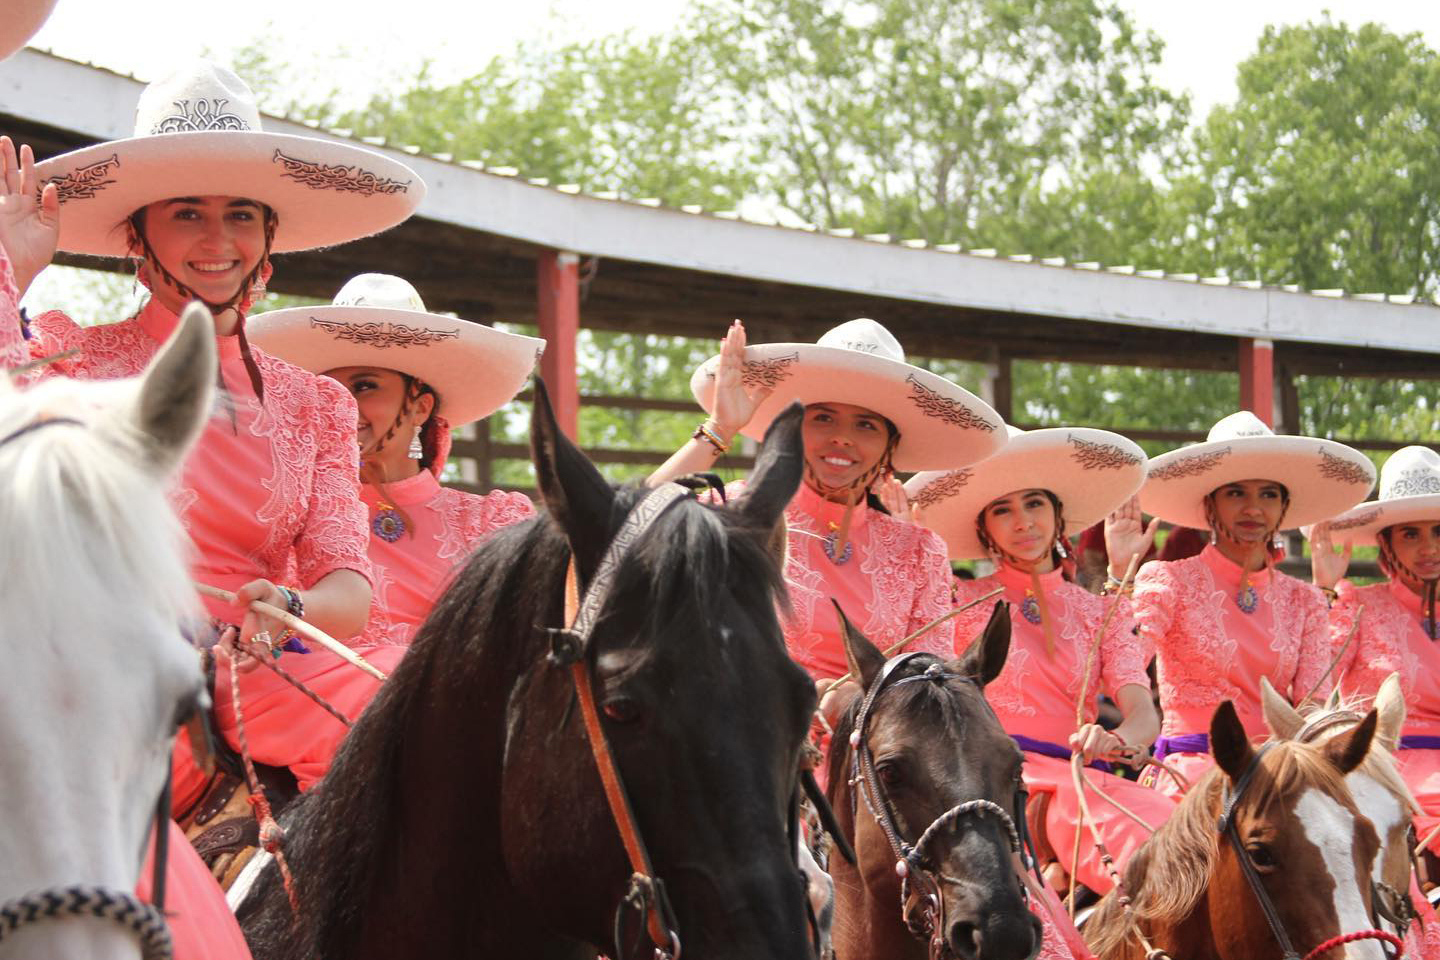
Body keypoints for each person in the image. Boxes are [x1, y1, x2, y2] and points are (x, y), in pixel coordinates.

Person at [0, 60, 422, 957]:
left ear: (268, 234)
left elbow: (352, 586)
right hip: (124, 671)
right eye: (187, 211)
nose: (215, 238)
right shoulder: (73, 358)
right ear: (141, 233)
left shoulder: (318, 405)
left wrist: (291, 606)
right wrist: (16, 271)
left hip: (280, 662)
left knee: (442, 704)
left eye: (239, 214)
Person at [652, 318, 1007, 708]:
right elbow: (638, 524)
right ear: (793, 428)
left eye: (866, 425)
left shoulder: (920, 550)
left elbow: (927, 676)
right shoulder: (737, 510)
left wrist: (855, 699)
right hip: (741, 736)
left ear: (889, 448)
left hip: (865, 751)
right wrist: (720, 428)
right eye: (823, 418)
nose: (843, 437)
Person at [905, 427, 1176, 895]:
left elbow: (1144, 714)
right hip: (996, 784)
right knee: (1146, 861)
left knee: (1182, 836)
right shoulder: (959, 602)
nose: (1023, 522)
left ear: (1057, 513)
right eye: (1002, 510)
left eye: (1034, 503)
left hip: (1085, 779)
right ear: (982, 527)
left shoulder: (1098, 611)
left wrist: (1113, 740)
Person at [249, 272, 542, 648]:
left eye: (365, 386)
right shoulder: (284, 516)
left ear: (420, 408)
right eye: (328, 389)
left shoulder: (488, 526)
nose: (340, 404)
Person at [1125, 411, 1375, 794]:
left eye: (1268, 494)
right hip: (1189, 776)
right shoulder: (1169, 579)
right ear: (1210, 502)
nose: (1253, 508)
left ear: (1283, 506)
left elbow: (1311, 705)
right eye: (1237, 492)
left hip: (1277, 780)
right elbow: (1125, 661)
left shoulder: (1305, 598)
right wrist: (1119, 574)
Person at [1315, 445, 1440, 856]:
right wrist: (1325, 592)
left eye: (1439, 532)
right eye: (1411, 534)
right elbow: (1313, 681)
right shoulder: (1356, 606)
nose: (1429, 548)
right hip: (1383, 772)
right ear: (1385, 541)